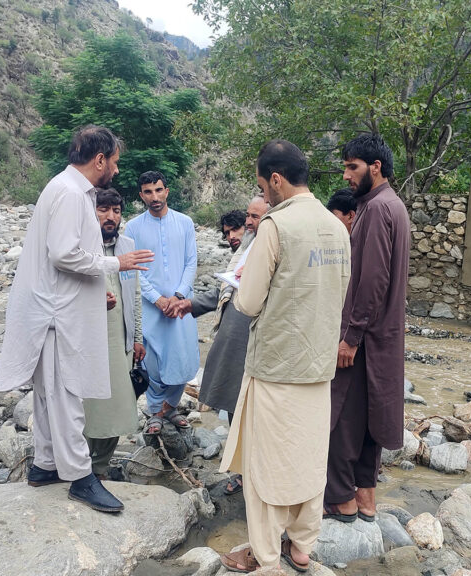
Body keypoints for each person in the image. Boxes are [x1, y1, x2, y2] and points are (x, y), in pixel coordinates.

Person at [0, 125, 153, 513]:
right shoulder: (69, 193)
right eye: (114, 162)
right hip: (55, 315)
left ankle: (45, 465)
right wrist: (117, 262)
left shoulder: (68, 189)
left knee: (50, 393)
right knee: (67, 393)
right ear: (99, 159)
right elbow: (64, 254)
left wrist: (99, 290)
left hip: (53, 309)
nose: (115, 170)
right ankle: (81, 478)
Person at [219, 140, 351, 574]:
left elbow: (250, 301)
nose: (265, 192)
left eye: (263, 184)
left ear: (275, 180)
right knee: (309, 460)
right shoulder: (338, 228)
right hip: (318, 367)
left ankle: (266, 555)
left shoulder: (277, 226)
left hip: (277, 366)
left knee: (266, 467)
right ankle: (302, 548)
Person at [324, 133, 410, 524]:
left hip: (366, 338)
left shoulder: (376, 210)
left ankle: (341, 499)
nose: (346, 175)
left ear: (375, 168)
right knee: (372, 418)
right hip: (384, 336)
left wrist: (351, 336)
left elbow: (372, 279)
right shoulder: (394, 205)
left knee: (344, 417)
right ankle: (366, 499)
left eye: (352, 167)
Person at [170, 196, 269, 496]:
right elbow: (227, 288)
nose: (248, 224)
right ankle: (242, 471)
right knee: (232, 405)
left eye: (253, 217)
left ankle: (256, 475)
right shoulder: (250, 245)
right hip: (233, 336)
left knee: (254, 412)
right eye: (248, 216)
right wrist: (191, 304)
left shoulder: (274, 244)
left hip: (256, 342)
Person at [123, 171, 199, 435]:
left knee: (182, 357)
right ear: (141, 195)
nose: (154, 197)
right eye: (148, 192)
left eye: (158, 190)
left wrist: (178, 296)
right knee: (151, 360)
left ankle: (171, 407)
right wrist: (157, 299)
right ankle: (156, 412)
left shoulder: (185, 222)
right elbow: (133, 269)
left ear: (167, 191)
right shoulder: (133, 227)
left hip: (180, 305)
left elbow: (191, 262)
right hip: (150, 307)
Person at [82, 188, 146, 480]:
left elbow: (135, 294)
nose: (110, 217)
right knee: (90, 407)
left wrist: (138, 338)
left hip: (121, 341)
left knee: (118, 405)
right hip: (88, 343)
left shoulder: (128, 245)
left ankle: (101, 466)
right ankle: (80, 465)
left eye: (116, 211)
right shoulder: (80, 248)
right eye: (103, 210)